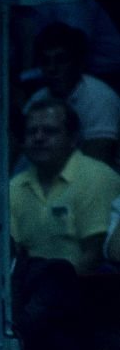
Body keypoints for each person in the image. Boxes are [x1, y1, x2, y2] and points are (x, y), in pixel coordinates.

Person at [10, 99, 120, 274]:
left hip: (86, 289)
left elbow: (94, 255)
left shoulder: (97, 177)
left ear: (73, 139)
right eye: (32, 132)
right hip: (31, 290)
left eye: (49, 131)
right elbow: (11, 252)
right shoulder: (15, 185)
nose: (38, 138)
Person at [23, 23, 120, 167]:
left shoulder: (100, 98)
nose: (52, 69)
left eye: (61, 61)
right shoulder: (38, 99)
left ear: (78, 64)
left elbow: (96, 165)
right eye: (45, 62)